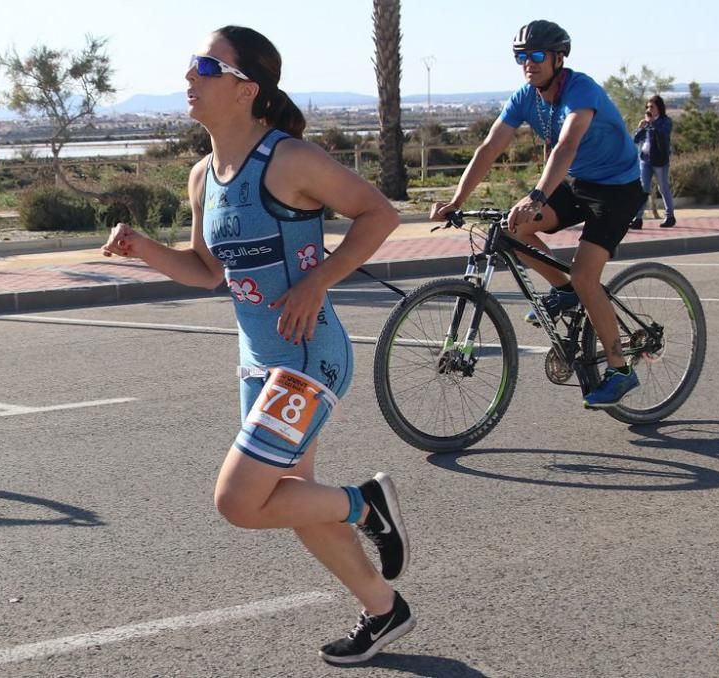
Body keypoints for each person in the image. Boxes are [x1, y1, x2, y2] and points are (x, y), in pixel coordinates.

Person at [101, 26, 414, 664]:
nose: (189, 77)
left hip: (307, 357)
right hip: (257, 364)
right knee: (288, 499)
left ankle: (367, 503)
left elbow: (379, 213)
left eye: (204, 66)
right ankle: (385, 610)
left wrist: (318, 282)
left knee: (239, 501)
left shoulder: (289, 159)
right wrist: (144, 250)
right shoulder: (202, 177)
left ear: (247, 89)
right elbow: (206, 270)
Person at [431, 19, 647, 408]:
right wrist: (456, 201)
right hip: (577, 183)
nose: (528, 64)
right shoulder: (524, 97)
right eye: (521, 57)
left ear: (558, 58)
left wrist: (535, 194)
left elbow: (566, 146)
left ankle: (619, 369)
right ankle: (564, 291)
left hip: (617, 190)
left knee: (586, 275)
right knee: (511, 230)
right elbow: (488, 148)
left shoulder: (581, 90)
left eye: (535, 56)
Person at [629, 94, 676, 229]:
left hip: (659, 160)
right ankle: (638, 219)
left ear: (659, 108)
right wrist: (640, 128)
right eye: (648, 107)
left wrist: (651, 123)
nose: (649, 109)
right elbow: (635, 140)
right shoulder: (647, 122)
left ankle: (670, 216)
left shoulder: (665, 121)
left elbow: (662, 135)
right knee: (643, 190)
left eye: (652, 106)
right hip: (645, 160)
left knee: (663, 188)